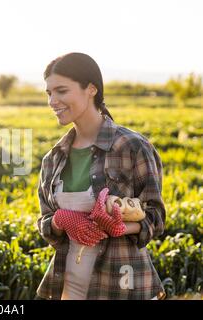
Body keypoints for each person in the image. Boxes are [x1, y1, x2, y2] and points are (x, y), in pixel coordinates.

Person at [36, 52, 166, 300]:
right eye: (49, 93)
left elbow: (156, 218)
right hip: (67, 287)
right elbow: (45, 222)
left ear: (91, 89)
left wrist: (120, 227)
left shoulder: (131, 146)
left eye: (61, 91)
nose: (53, 101)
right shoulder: (53, 158)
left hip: (120, 287)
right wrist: (60, 220)